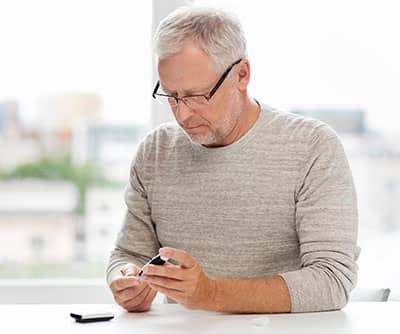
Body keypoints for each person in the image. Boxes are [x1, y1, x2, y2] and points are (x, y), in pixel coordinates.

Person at [106, 6, 360, 314]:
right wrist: (126, 279)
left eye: (197, 96)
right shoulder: (155, 151)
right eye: (171, 96)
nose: (182, 114)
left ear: (242, 74)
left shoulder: (312, 146)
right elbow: (128, 253)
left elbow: (332, 281)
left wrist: (210, 293)